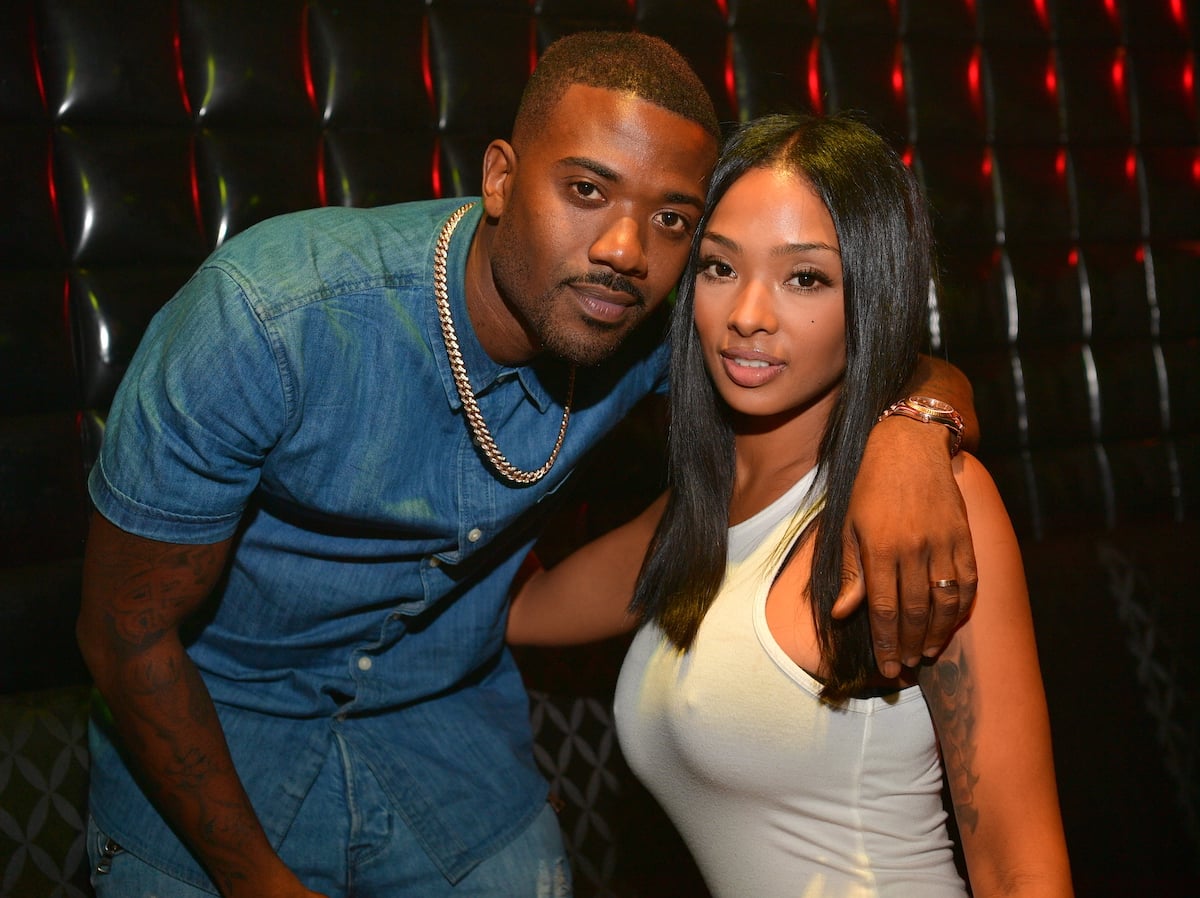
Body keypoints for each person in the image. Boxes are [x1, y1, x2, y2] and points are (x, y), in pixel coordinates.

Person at [78, 31, 978, 898]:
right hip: (222, 722)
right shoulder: (272, 320)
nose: (625, 249)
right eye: (587, 190)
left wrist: (912, 435)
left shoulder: (654, 319)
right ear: (501, 178)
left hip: (446, 725)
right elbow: (123, 635)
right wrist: (256, 881)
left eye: (671, 218)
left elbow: (877, 354)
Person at [508, 113, 1072, 897]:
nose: (748, 315)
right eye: (719, 267)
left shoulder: (936, 499)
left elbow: (1019, 865)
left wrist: (915, 428)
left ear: (869, 293)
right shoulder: (693, 516)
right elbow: (521, 607)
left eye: (804, 277)